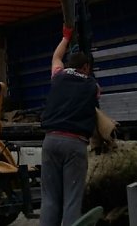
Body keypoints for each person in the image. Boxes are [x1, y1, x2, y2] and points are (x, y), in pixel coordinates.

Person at [39, 26, 100, 226]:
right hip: (75, 144)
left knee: (49, 199)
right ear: (85, 68)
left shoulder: (58, 75)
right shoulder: (93, 86)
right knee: (72, 201)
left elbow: (56, 57)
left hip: (51, 140)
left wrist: (65, 38)